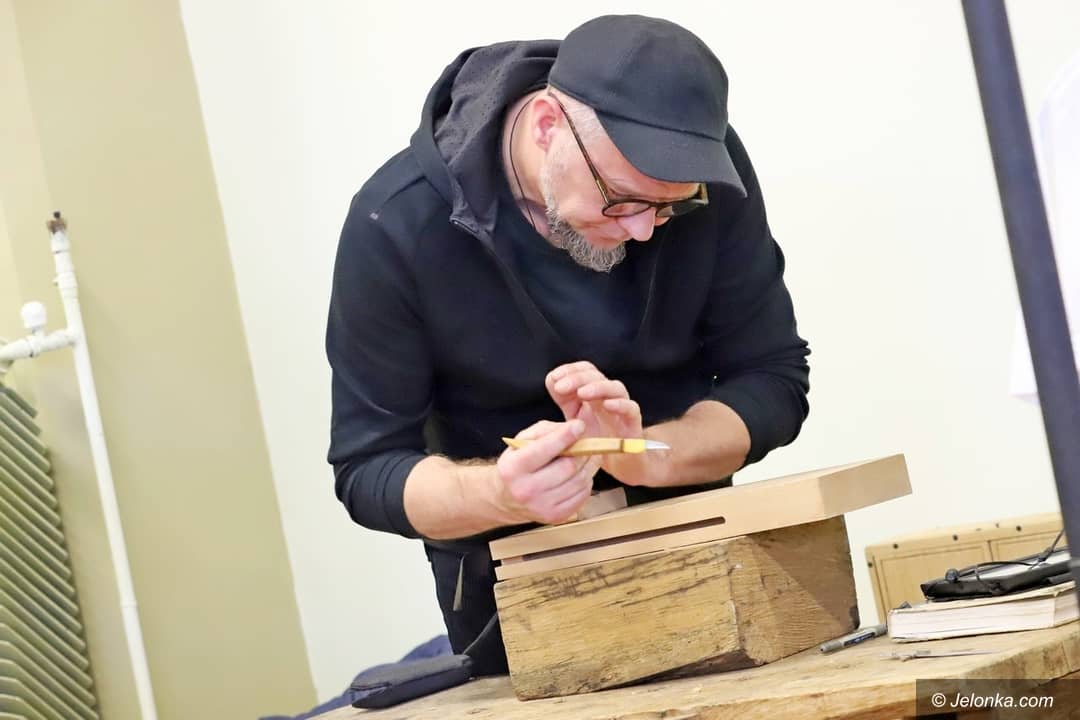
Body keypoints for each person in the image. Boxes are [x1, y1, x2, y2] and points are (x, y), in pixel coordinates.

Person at [326, 14, 810, 674]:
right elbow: (369, 468)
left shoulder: (697, 169)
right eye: (622, 200)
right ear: (548, 125)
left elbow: (774, 378)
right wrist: (503, 493)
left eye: (670, 207)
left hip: (705, 553)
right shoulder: (398, 223)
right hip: (514, 596)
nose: (645, 231)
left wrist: (648, 455)